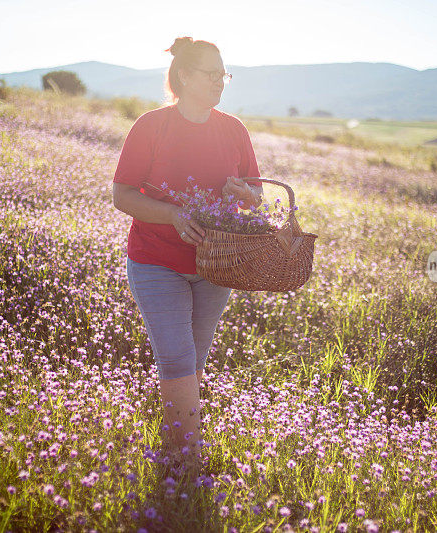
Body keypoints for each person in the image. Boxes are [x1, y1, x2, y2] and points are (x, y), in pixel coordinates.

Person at [111, 37, 263, 476]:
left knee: (194, 359)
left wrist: (245, 194)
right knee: (177, 357)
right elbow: (122, 194)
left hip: (216, 265)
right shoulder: (152, 126)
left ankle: (175, 443)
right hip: (155, 260)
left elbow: (255, 192)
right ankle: (189, 460)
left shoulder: (233, 128)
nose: (220, 81)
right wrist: (173, 215)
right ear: (184, 76)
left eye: (224, 74)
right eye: (211, 73)